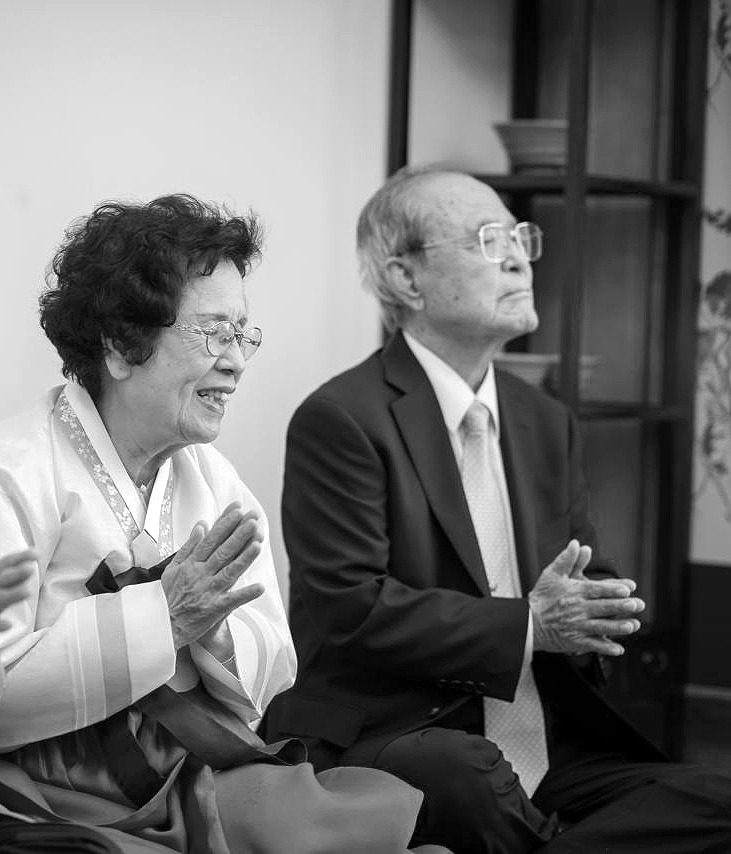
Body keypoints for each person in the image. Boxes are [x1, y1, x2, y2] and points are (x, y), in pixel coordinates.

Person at [265, 165, 731, 853]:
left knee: (717, 800)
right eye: (487, 240)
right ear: (405, 279)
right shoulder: (341, 418)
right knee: (467, 776)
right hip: (401, 729)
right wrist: (530, 625)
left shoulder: (544, 419)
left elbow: (579, 574)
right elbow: (351, 608)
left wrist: (595, 613)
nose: (518, 258)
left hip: (547, 739)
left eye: (519, 238)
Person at [0, 194, 451, 854]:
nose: (237, 361)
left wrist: (213, 631)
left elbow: (276, 664)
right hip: (52, 790)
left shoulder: (212, 479)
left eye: (242, 335)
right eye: (215, 333)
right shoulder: (17, 470)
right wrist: (161, 620)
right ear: (120, 345)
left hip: (192, 770)